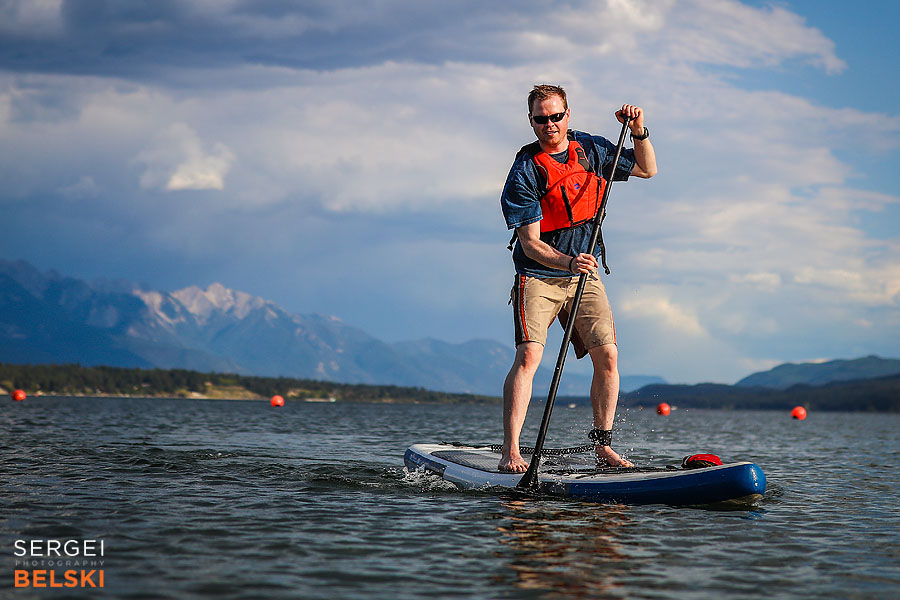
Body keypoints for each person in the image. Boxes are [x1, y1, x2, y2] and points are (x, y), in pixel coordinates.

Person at [498, 84, 657, 472]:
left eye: (556, 116)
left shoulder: (594, 149)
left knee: (608, 355)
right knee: (530, 355)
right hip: (540, 274)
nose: (549, 124)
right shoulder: (525, 170)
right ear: (531, 121)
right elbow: (531, 244)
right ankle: (512, 452)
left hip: (585, 274)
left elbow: (647, 169)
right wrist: (568, 262)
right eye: (541, 118)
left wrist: (638, 130)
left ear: (568, 115)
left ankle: (603, 447)